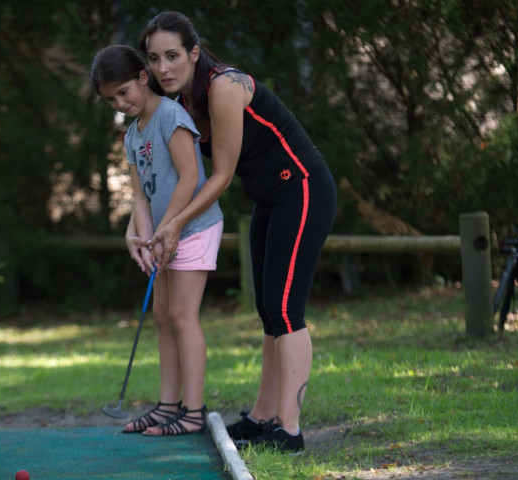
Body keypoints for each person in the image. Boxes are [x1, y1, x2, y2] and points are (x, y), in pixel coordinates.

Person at [139, 12, 337, 453]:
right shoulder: (178, 96)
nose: (163, 67)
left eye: (172, 56)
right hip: (269, 199)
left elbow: (221, 176)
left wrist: (173, 224)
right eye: (154, 59)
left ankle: (289, 428)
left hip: (302, 189)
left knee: (285, 309)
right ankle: (262, 417)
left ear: (194, 53)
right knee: (268, 310)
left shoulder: (225, 88)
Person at [90, 45, 224, 436]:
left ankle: (194, 412)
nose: (120, 101)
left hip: (195, 227)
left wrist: (169, 229)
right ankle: (168, 406)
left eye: (124, 91)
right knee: (163, 317)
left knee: (183, 317)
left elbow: (189, 179)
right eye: (111, 98)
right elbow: (141, 197)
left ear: (143, 78)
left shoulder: (170, 116)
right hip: (166, 232)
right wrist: (145, 240)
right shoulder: (132, 136)